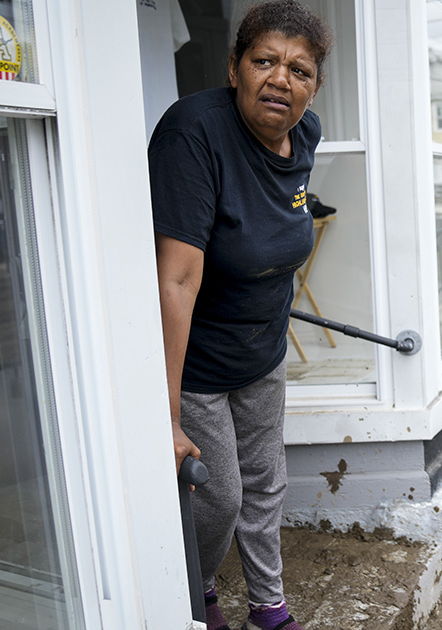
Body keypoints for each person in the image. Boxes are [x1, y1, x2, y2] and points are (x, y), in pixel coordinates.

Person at [148, 2, 332, 629]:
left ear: (314, 85)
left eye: (300, 70)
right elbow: (175, 278)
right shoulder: (192, 134)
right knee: (219, 497)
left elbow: (282, 223)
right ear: (234, 69)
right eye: (264, 61)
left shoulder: (305, 136)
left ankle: (268, 607)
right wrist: (167, 413)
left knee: (266, 485)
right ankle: (194, 595)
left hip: (264, 349)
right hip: (198, 360)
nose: (281, 79)